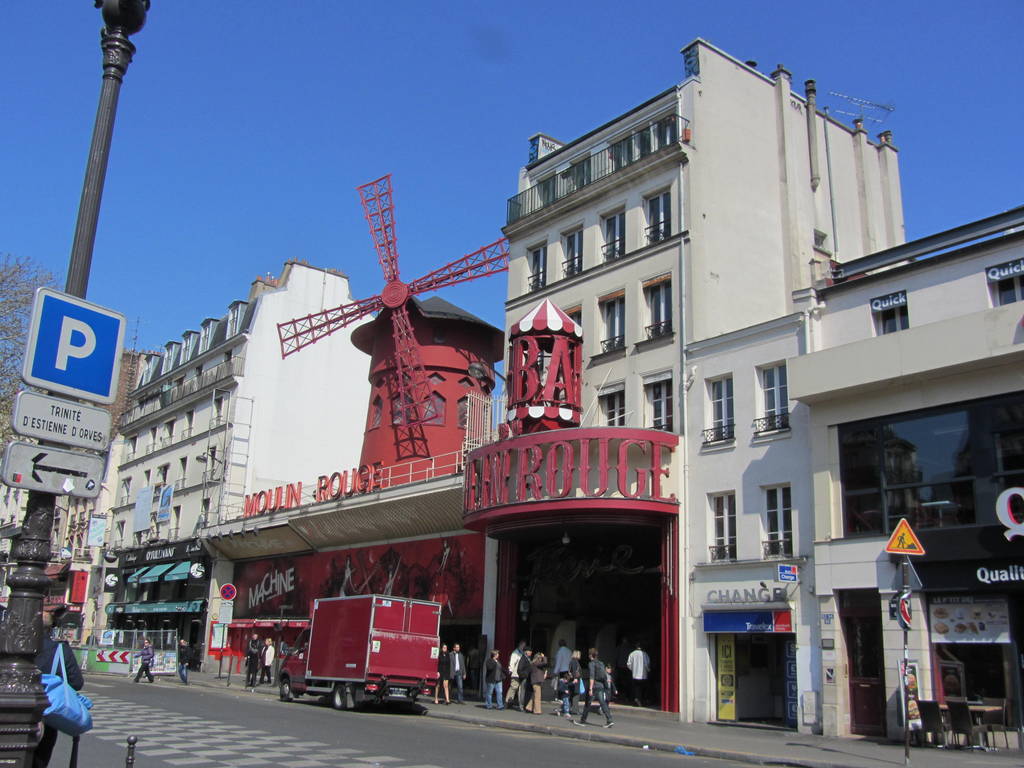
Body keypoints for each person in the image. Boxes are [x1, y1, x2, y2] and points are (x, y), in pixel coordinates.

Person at [34, 608, 84, 768]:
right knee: (39, 759)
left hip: (10, 710)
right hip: (46, 713)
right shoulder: (60, 649)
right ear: (52, 627)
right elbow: (76, 682)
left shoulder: (10, 643)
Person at [575, 647, 613, 728]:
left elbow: (592, 676)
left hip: (594, 686)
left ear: (590, 655)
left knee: (587, 703)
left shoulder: (591, 664)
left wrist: (590, 688)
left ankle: (583, 720)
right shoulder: (601, 663)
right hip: (601, 685)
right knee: (602, 702)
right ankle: (609, 720)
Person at [504, 640, 526, 710]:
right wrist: (510, 670)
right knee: (513, 687)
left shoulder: (522, 653)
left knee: (520, 689)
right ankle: (507, 702)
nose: (524, 647)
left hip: (521, 674)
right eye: (523, 645)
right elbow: (512, 662)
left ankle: (519, 704)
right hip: (515, 674)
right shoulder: (515, 653)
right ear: (520, 645)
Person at [567, 649, 584, 715]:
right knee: (576, 695)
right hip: (575, 680)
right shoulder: (575, 662)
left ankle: (572, 708)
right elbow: (575, 671)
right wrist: (575, 678)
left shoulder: (572, 661)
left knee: (572, 694)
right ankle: (575, 710)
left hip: (573, 680)